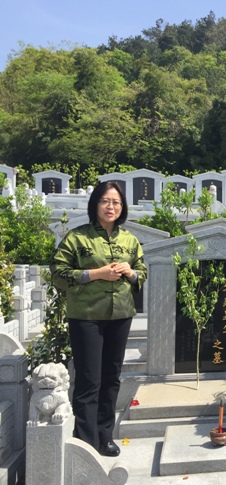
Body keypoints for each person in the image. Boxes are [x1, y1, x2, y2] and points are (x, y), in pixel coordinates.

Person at [51, 181, 147, 457]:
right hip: (87, 316)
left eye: (116, 202)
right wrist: (96, 274)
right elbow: (58, 273)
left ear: (122, 207)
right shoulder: (77, 238)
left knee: (111, 377)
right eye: (105, 201)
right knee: (89, 379)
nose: (111, 207)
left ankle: (105, 436)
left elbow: (142, 273)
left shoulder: (129, 240)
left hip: (120, 315)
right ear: (95, 205)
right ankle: (85, 441)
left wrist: (131, 273)